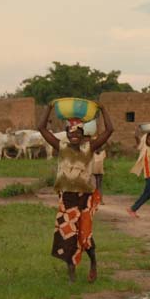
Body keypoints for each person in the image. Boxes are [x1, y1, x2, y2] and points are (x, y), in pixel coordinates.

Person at [38, 102, 114, 283]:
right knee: (67, 237)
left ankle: (93, 263)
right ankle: (71, 276)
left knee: (85, 235)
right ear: (67, 133)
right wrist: (48, 107)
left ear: (82, 135)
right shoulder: (61, 147)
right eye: (71, 132)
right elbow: (41, 128)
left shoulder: (90, 147)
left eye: (78, 133)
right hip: (67, 199)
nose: (74, 136)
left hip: (84, 199)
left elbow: (110, 130)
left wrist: (103, 109)